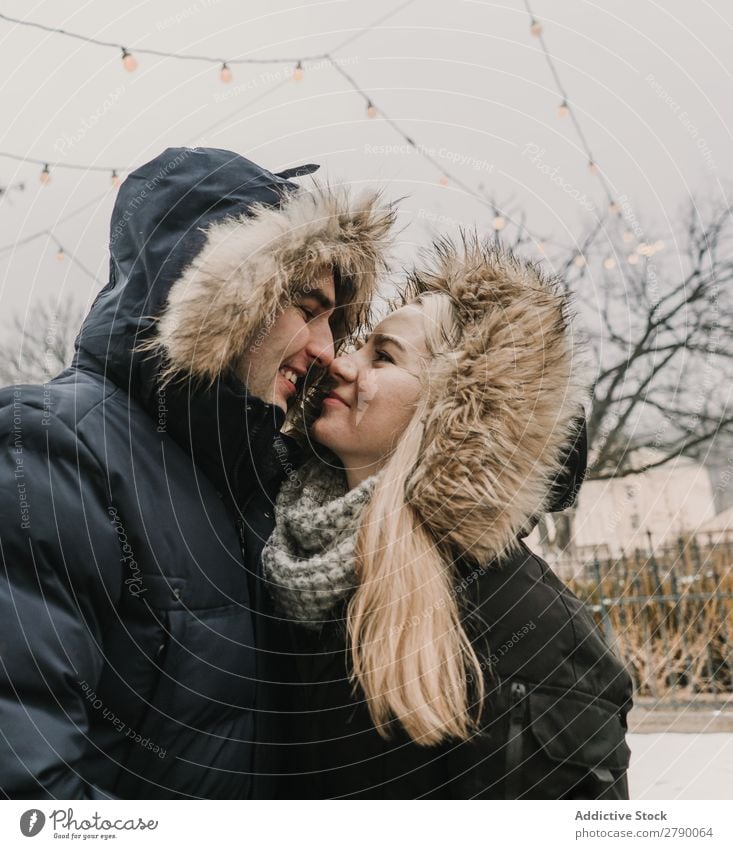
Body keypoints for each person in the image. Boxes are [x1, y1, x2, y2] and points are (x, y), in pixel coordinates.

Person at [0, 146, 394, 799]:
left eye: (334, 321)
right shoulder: (52, 453)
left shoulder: (259, 485)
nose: (327, 349)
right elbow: (27, 792)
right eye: (306, 306)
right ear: (221, 291)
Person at [262, 236, 633, 799]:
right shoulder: (287, 550)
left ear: (456, 412)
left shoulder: (529, 628)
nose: (338, 361)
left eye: (383, 356)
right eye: (360, 345)